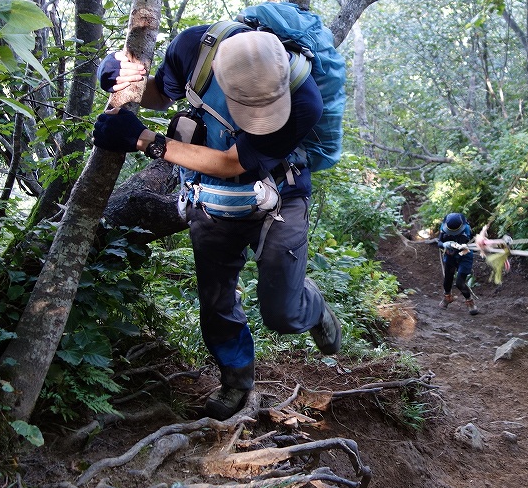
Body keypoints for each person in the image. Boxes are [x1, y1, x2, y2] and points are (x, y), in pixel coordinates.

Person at [92, 27, 342, 421]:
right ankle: (237, 380)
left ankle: (308, 306)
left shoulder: (304, 99)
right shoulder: (195, 49)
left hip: (279, 198)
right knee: (216, 301)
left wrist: (146, 141)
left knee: (282, 314)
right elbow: (165, 92)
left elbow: (231, 162)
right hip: (209, 199)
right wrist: (127, 82)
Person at [436, 212, 480, 315]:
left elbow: (472, 246)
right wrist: (445, 245)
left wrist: (461, 247)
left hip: (464, 257)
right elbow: (439, 242)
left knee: (460, 282)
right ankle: (447, 297)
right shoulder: (444, 227)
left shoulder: (467, 230)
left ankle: (470, 302)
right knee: (447, 279)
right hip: (450, 257)